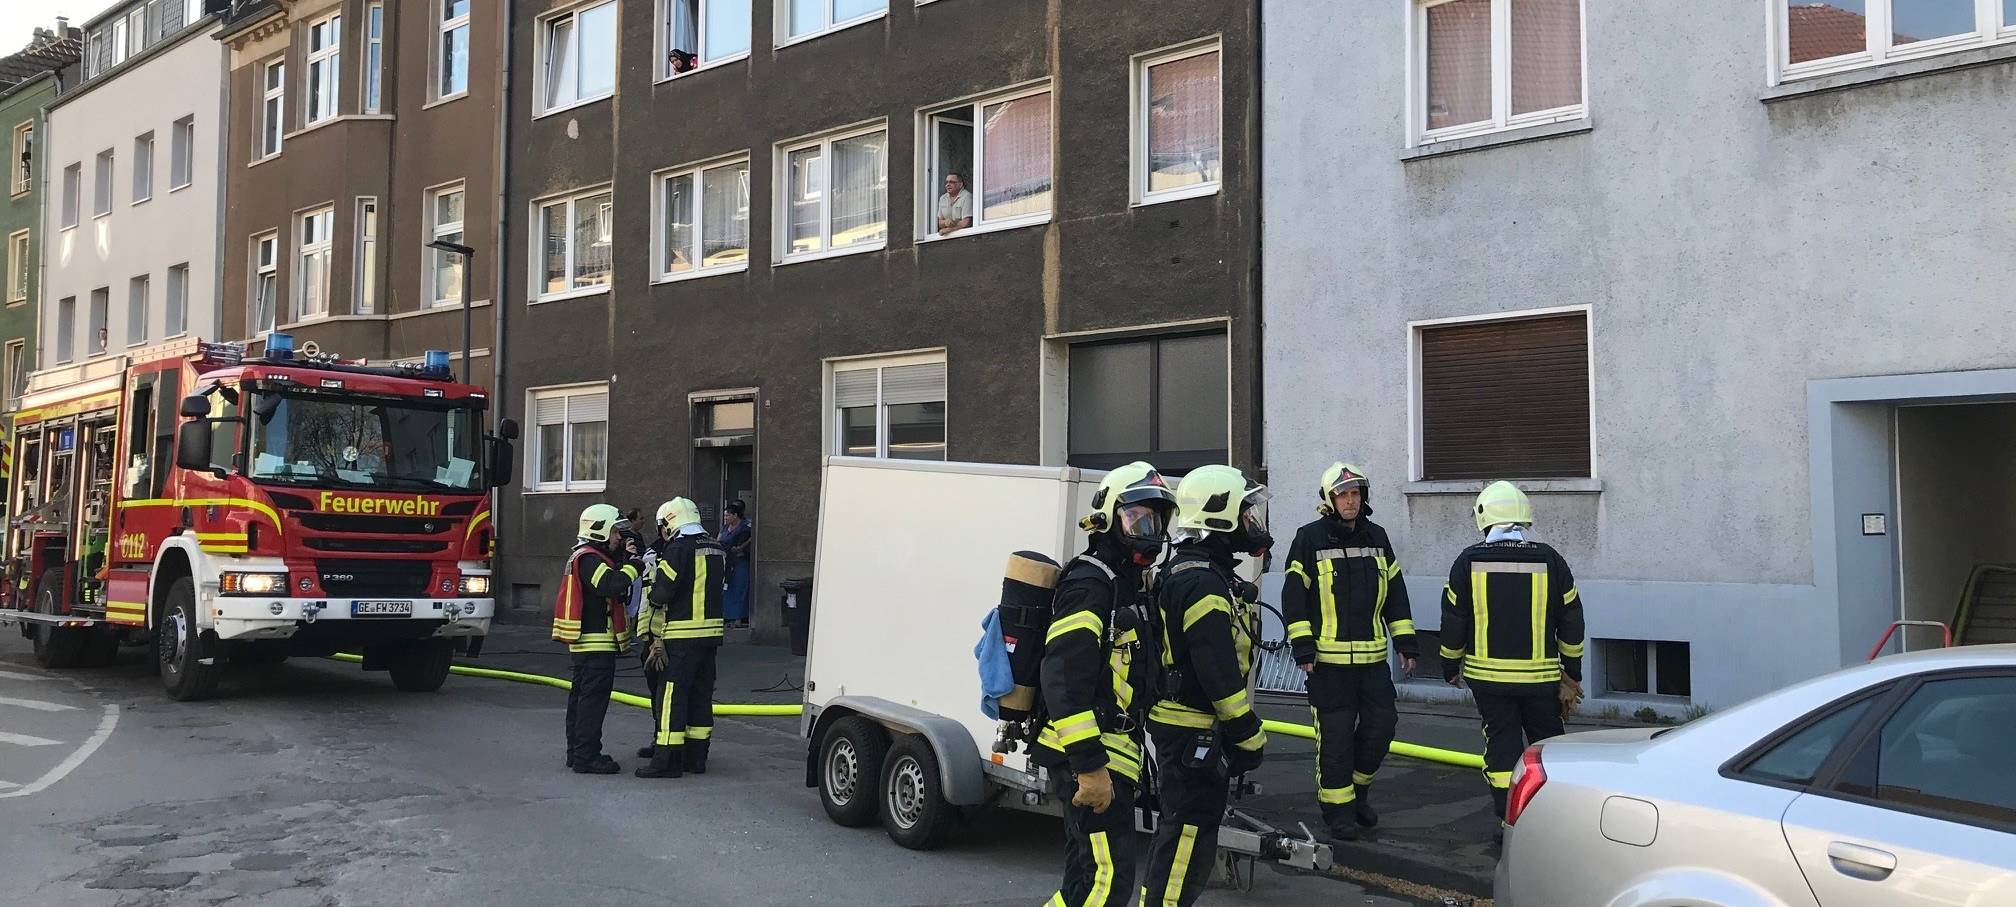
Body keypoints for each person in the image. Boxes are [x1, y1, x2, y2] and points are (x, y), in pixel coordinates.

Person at [1034, 462, 1177, 907]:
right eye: (1137, 517)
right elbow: (1062, 676)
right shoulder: (1090, 583)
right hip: (1090, 752)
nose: (1148, 529)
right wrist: (1090, 767)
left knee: (1081, 877)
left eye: (1155, 519)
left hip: (1112, 751)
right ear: (1108, 519)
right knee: (1108, 879)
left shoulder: (1127, 584)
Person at [1140, 465, 1270, 907]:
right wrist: (1249, 736)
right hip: (1192, 729)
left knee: (1182, 836)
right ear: (1220, 515)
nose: (1253, 522)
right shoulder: (1201, 582)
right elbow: (1217, 672)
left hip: (1186, 729)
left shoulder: (1195, 572)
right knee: (1185, 843)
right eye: (1246, 512)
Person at [1438, 481, 1586, 838]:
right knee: (1548, 746)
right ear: (1523, 518)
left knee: (1502, 748)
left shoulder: (1467, 561)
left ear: (1484, 519)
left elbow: (1453, 619)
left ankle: (1510, 822)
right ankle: (1555, 819)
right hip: (1540, 681)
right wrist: (1572, 670)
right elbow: (1572, 619)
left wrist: (1449, 666)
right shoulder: (1550, 559)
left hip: (1489, 681)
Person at [1281, 463, 1417, 842]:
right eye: (1343, 494)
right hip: (1328, 666)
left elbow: (1396, 592)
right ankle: (1338, 811)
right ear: (1329, 499)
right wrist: (1303, 645)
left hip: (1373, 664)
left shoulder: (1378, 537)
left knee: (1381, 728)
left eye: (1356, 493)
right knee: (1336, 742)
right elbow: (1294, 596)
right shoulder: (1309, 539)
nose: (1351, 500)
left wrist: (1405, 641)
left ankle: (1358, 794)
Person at [635, 497, 729, 779]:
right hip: (711, 635)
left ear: (668, 522)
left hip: (681, 635)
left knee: (671, 697)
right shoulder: (716, 546)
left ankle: (667, 760)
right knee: (701, 696)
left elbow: (662, 592)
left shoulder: (678, 548)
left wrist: (652, 587)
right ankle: (696, 758)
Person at [554, 503, 642, 775]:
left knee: (581, 699)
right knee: (592, 701)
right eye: (615, 532)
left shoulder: (586, 556)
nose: (618, 537)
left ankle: (577, 752)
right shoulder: (590, 558)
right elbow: (610, 585)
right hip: (596, 644)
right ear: (600, 530)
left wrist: (623, 563)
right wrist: (634, 567)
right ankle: (587, 757)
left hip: (587, 644)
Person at [720, 500, 753, 629]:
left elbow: (751, 539)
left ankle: (738, 618)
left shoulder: (745, 527)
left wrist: (740, 547)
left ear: (735, 515)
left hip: (740, 562)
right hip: (727, 562)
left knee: (740, 589)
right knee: (729, 590)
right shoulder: (724, 528)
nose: (725, 518)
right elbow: (719, 539)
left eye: (727, 515)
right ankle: (728, 617)